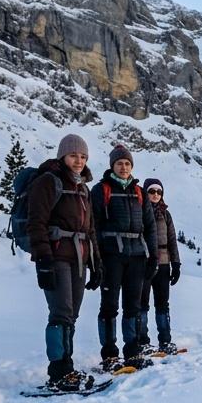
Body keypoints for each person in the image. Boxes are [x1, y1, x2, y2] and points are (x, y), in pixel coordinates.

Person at [27, 133, 100, 390]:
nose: (78, 161)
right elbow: (37, 223)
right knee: (60, 313)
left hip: (79, 258)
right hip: (56, 256)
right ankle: (58, 371)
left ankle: (67, 367)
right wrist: (43, 260)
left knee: (72, 314)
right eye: (73, 156)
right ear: (63, 156)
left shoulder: (83, 187)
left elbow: (90, 229)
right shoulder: (49, 182)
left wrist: (96, 263)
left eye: (83, 157)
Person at [90, 143, 157, 371]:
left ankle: (133, 351)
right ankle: (109, 354)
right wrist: (96, 258)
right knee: (109, 306)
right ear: (112, 165)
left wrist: (153, 256)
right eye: (120, 163)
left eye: (128, 163)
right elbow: (94, 226)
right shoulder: (101, 190)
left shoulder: (138, 192)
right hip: (112, 256)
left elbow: (150, 226)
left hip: (137, 256)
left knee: (133, 306)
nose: (124, 167)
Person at [135, 177, 182, 354]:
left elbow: (172, 240)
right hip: (144, 262)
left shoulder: (165, 213)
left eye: (159, 192)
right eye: (152, 191)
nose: (155, 195)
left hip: (163, 262)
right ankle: (143, 341)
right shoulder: (138, 210)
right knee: (142, 303)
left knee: (162, 303)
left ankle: (165, 340)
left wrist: (176, 263)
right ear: (145, 192)